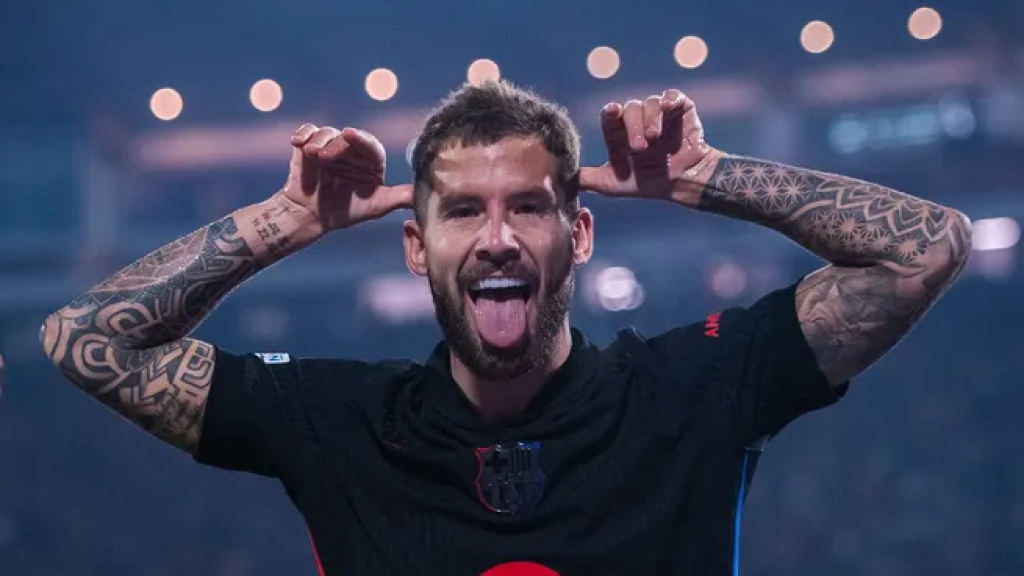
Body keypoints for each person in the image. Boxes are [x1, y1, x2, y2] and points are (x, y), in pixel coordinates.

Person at [40, 80, 972, 575]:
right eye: (462, 213)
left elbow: (926, 248)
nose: (495, 240)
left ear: (579, 233)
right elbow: (86, 338)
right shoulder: (335, 421)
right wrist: (289, 221)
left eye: (528, 207)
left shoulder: (693, 391)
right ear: (415, 246)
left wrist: (703, 174)